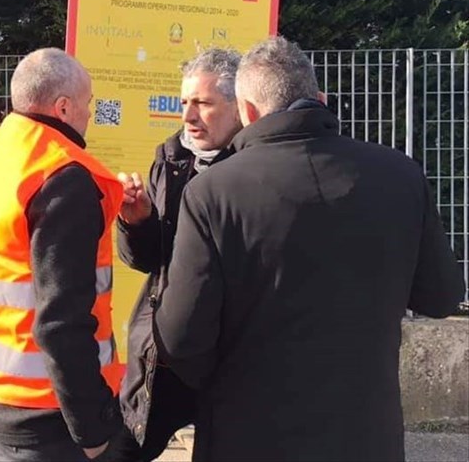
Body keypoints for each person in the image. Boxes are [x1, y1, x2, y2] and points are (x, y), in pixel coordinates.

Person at [153, 37, 466, 462]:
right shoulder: (400, 175)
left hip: (247, 432)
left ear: (246, 111)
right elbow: (441, 295)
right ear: (321, 99)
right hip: (366, 433)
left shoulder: (214, 191)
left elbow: (182, 337)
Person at [0, 48, 125, 462]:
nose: (90, 114)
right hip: (52, 416)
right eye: (88, 103)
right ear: (64, 107)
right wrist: (93, 432)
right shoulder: (64, 179)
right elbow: (61, 323)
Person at [116, 49, 242, 461]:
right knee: (127, 450)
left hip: (228, 357)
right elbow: (149, 259)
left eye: (203, 103)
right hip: (166, 352)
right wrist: (137, 222)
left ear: (239, 106)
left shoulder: (256, 169)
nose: (189, 116)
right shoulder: (170, 158)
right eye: (184, 102)